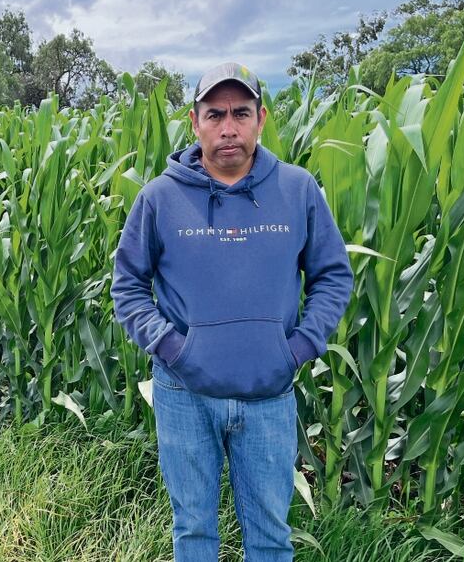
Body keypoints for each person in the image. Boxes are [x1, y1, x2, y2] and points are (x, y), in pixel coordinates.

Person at [110, 62, 353, 561]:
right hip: (184, 394)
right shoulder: (159, 198)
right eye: (215, 114)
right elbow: (128, 285)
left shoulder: (298, 189)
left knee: (269, 536)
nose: (228, 128)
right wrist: (172, 347)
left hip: (269, 395)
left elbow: (333, 276)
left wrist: (299, 348)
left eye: (240, 113)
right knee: (194, 531)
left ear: (261, 119)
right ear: (195, 121)